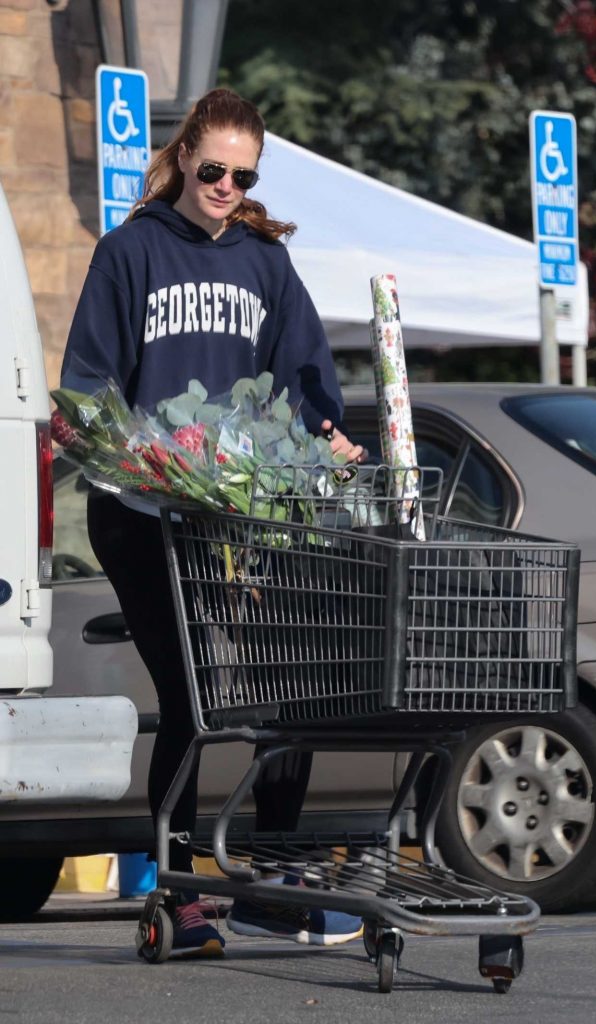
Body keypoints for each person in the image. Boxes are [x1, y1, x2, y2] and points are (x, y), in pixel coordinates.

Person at [59, 88, 365, 957]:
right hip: (144, 510)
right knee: (192, 699)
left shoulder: (267, 265)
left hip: (239, 514)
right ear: (186, 155)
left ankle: (267, 881)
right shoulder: (130, 251)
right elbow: (89, 382)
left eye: (244, 174)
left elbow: (305, 378)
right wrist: (110, 441)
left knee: (293, 687)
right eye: (214, 169)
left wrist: (328, 435)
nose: (227, 185)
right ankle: (179, 894)